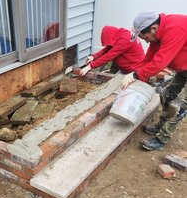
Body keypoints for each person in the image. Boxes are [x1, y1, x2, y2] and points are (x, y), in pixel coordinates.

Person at [122, 11, 187, 151]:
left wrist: (136, 76)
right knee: (166, 94)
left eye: (145, 37)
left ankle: (161, 140)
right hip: (184, 69)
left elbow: (159, 63)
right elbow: (148, 60)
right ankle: (160, 126)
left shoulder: (176, 28)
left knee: (178, 106)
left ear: (153, 28)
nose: (146, 41)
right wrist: (133, 74)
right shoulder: (157, 36)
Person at [79, 25, 145, 76]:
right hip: (127, 65)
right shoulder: (120, 34)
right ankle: (113, 73)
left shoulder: (125, 39)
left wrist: (90, 66)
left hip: (134, 69)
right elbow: (107, 49)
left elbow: (109, 56)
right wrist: (93, 57)